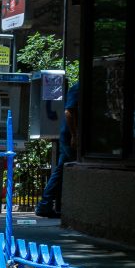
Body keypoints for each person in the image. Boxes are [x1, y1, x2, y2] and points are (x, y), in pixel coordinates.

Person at [36, 81, 79, 218]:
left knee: (60, 170)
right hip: (69, 136)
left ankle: (45, 204)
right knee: (64, 169)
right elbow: (68, 111)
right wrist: (74, 135)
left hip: (69, 135)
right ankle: (45, 204)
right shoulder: (79, 88)